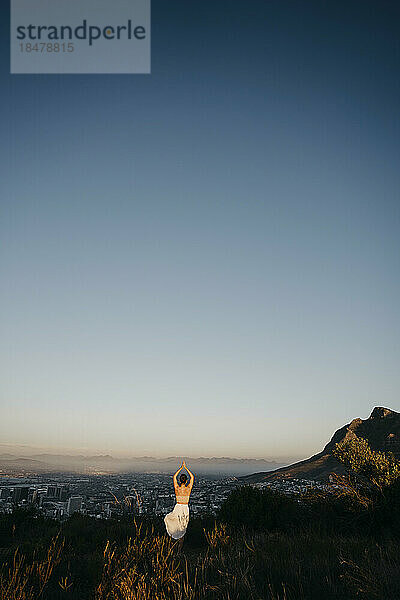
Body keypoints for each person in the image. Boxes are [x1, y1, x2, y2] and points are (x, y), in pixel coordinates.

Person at [164, 460, 194, 544]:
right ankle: (179, 549)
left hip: (178, 507)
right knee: (183, 527)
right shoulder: (188, 488)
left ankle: (172, 542)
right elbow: (192, 477)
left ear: (180, 480)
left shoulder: (177, 488)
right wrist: (186, 468)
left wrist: (181, 468)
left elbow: (174, 477)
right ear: (186, 480)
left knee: (175, 524)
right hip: (185, 508)